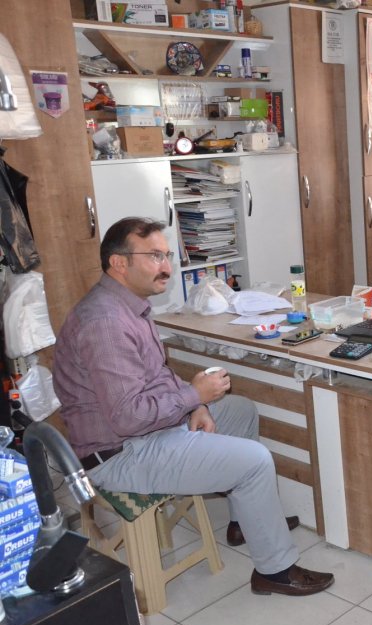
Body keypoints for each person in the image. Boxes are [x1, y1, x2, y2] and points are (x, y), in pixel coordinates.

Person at [53, 217, 334, 597]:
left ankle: (245, 521)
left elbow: (155, 373)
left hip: (142, 434)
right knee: (254, 461)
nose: (167, 267)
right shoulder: (105, 322)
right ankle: (276, 571)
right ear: (119, 263)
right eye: (154, 256)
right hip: (119, 454)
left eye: (166, 255)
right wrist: (194, 397)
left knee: (240, 411)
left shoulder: (128, 306)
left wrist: (191, 407)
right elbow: (128, 417)